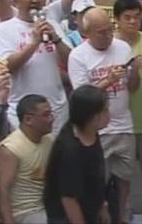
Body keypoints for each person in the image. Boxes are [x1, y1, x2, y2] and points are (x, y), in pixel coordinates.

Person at [68, 7, 139, 224]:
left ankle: (121, 216)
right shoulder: (78, 56)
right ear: (87, 33)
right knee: (98, 179)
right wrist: (108, 80)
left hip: (124, 124)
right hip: (98, 129)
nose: (108, 35)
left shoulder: (123, 47)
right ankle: (99, 216)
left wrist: (134, 71)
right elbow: (83, 97)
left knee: (125, 177)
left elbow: (133, 87)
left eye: (110, 29)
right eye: (101, 32)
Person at [0, 0, 71, 135]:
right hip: (25, 113)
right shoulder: (4, 29)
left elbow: (70, 61)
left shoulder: (52, 25)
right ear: (16, 1)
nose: (35, 1)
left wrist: (57, 40)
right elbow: (8, 66)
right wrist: (33, 43)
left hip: (58, 110)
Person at [44, 85, 110, 224]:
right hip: (67, 216)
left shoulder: (90, 131)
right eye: (105, 110)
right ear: (92, 117)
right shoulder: (70, 149)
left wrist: (102, 205)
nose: (109, 114)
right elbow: (69, 199)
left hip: (90, 206)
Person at [0, 94, 54, 224]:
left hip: (45, 206)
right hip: (22, 213)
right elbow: (2, 190)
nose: (51, 119)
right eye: (46, 115)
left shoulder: (49, 140)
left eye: (51, 114)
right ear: (28, 119)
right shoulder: (10, 149)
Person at [114, 0, 142, 188]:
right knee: (124, 169)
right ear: (117, 19)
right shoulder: (111, 44)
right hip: (121, 120)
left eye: (136, 17)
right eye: (127, 17)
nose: (132, 22)